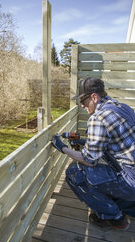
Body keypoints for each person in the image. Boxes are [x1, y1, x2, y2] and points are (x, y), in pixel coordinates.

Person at [51, 77, 135, 231]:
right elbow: (110, 142)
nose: (82, 105)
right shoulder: (122, 107)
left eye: (83, 100)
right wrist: (83, 141)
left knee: (74, 173)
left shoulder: (98, 118)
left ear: (94, 97)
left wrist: (62, 148)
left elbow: (89, 160)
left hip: (131, 181)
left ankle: (115, 218)